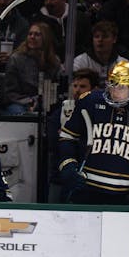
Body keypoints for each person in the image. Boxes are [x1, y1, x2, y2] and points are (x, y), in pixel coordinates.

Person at [58, 61, 129, 205]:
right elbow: (68, 137)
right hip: (86, 189)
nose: (115, 90)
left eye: (121, 87)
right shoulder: (89, 101)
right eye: (112, 84)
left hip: (123, 197)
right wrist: (67, 166)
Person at [46, 69, 99, 202]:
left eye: (82, 86)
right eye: (75, 86)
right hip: (60, 173)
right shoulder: (61, 110)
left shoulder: (99, 111)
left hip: (88, 177)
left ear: (95, 89)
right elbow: (52, 141)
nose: (77, 90)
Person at [3, 22, 61, 115]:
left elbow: (55, 89)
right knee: (21, 113)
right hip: (19, 102)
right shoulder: (16, 59)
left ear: (45, 38)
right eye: (30, 34)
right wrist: (30, 101)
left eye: (37, 34)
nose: (32, 37)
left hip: (45, 103)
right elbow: (10, 92)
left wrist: (40, 102)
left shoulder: (54, 61)